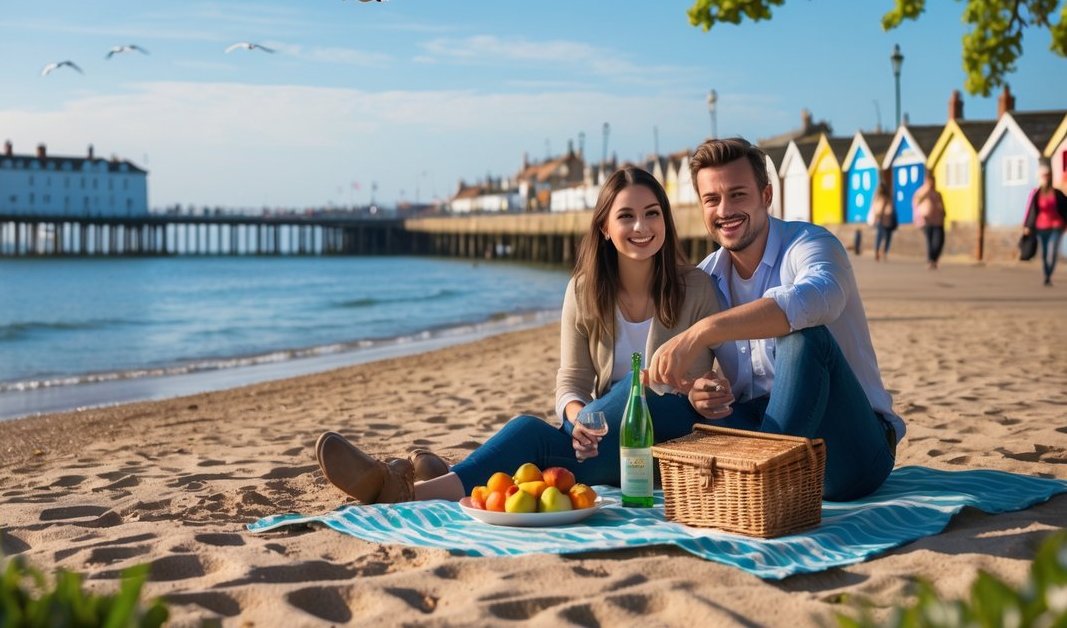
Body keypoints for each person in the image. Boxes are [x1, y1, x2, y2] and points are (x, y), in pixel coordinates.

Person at [314, 166, 720, 504]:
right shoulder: (583, 290)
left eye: (652, 214)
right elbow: (572, 381)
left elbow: (736, 375)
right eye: (626, 216)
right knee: (530, 430)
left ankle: (410, 490)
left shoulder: (696, 288)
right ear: (603, 227)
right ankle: (434, 485)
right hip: (598, 435)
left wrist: (710, 389)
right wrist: (578, 420)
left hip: (665, 438)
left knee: (638, 385)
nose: (642, 226)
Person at [645, 138, 903, 501]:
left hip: (850, 449)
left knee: (804, 338)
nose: (725, 210)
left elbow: (818, 298)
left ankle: (760, 483)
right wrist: (696, 391)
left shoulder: (811, 244)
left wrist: (705, 330)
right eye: (712, 199)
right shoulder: (705, 279)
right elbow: (681, 379)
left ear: (766, 196)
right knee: (649, 405)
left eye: (738, 195)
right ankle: (574, 465)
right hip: (761, 427)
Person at [1023, 160, 1067, 287]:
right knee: (1044, 253)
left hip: (1056, 226)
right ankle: (1046, 275)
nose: (1046, 179)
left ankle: (1048, 275)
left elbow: (1065, 208)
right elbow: (1031, 211)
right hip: (1041, 227)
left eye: (1048, 176)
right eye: (1044, 176)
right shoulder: (1036, 194)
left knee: (1052, 251)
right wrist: (1027, 226)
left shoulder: (1057, 194)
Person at [912, 174, 946, 269]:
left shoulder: (937, 193)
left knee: (939, 241)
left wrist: (944, 214)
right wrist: (926, 190)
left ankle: (934, 259)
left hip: (938, 220)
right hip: (926, 220)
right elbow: (916, 202)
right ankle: (930, 260)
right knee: (930, 241)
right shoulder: (921, 192)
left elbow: (942, 205)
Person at [868, 173, 898, 261]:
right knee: (884, 236)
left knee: (882, 236)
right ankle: (880, 252)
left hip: (884, 220)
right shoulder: (880, 197)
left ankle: (881, 252)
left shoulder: (881, 197)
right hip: (883, 220)